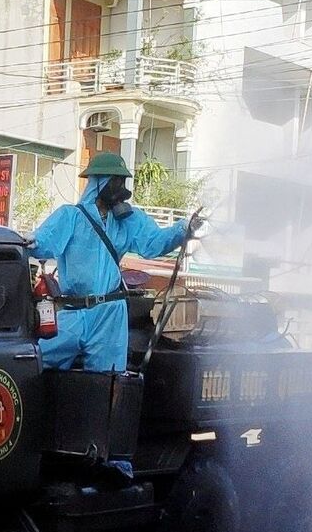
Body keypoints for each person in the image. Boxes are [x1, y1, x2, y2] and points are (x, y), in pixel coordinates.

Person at [29, 152, 202, 373]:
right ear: (99, 182)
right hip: (73, 309)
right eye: (116, 180)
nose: (121, 186)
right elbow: (44, 241)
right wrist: (31, 241)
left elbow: (153, 243)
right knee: (35, 360)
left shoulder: (128, 221)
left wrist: (183, 229)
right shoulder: (71, 216)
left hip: (110, 312)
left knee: (107, 378)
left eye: (122, 180)